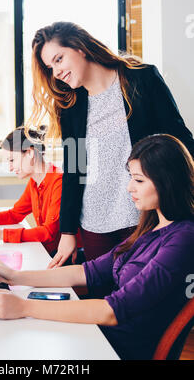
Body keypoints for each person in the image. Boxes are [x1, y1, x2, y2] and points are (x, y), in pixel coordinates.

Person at [0, 134, 194, 360]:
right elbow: (86, 271)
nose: (129, 187)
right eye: (131, 177)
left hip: (116, 348)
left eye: (139, 180)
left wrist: (24, 307)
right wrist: (14, 276)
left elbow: (113, 310)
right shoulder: (150, 227)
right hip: (101, 334)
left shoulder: (183, 238)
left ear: (167, 181)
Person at [26, 21, 194, 267]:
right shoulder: (68, 105)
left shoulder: (141, 79)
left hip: (144, 217)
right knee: (103, 296)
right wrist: (68, 231)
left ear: (80, 47)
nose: (56, 72)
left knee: (142, 297)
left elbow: (180, 140)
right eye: (51, 67)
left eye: (59, 59)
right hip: (94, 223)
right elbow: (73, 169)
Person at [0, 126, 82, 257]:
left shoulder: (58, 181)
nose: (10, 168)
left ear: (30, 153)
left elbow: (48, 232)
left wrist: (1, 235)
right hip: (47, 252)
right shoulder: (35, 181)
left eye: (12, 160)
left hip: (66, 257)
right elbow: (14, 214)